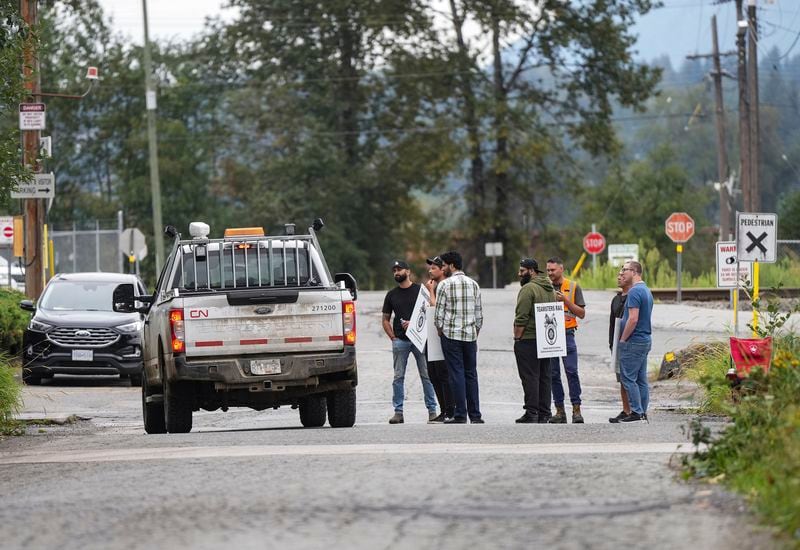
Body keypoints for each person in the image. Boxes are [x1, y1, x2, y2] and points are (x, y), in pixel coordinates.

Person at [382, 260, 439, 424]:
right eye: (394, 270)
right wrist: (393, 338)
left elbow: (431, 312)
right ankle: (398, 412)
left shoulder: (421, 291)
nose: (396, 272)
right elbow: (385, 319)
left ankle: (432, 411)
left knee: (426, 376)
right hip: (400, 341)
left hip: (420, 340)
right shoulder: (391, 295)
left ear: (408, 271)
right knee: (398, 377)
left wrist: (414, 325)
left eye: (399, 269)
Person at [434, 251, 484, 424]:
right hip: (470, 336)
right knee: (471, 374)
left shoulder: (444, 285)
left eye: (444, 265)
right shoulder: (474, 284)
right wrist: (475, 332)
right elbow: (479, 316)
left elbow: (438, 315)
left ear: (452, 266)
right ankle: (476, 415)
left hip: (451, 335)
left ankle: (461, 414)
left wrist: (440, 330)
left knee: (456, 374)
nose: (442, 268)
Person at [513, 258, 557, 423]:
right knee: (544, 376)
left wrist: (518, 338)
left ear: (531, 271)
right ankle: (544, 412)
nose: (519, 274)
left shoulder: (528, 289)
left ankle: (531, 412)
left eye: (522, 271)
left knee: (530, 376)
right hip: (547, 338)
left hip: (529, 338)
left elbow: (521, 317)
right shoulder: (549, 288)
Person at [545, 257, 587, 424]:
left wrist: (566, 301)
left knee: (571, 372)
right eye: (548, 270)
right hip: (550, 336)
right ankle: (559, 411)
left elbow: (582, 314)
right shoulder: (544, 288)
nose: (550, 273)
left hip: (567, 333)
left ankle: (576, 410)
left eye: (552, 270)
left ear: (561, 269)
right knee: (553, 374)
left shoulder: (573, 287)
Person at [617, 260, 654, 423]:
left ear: (634, 272)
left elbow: (633, 319)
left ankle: (636, 411)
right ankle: (642, 411)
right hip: (645, 339)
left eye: (625, 270)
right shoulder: (646, 290)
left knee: (628, 378)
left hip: (634, 340)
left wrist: (623, 339)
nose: (622, 272)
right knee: (640, 378)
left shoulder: (634, 292)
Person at [424, 256, 455, 422]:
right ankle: (443, 409)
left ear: (443, 269)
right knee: (433, 374)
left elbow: (436, 309)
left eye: (434, 268)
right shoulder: (434, 286)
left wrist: (430, 292)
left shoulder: (445, 286)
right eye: (430, 268)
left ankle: (450, 409)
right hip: (430, 337)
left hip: (442, 336)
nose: (430, 271)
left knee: (444, 374)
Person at [608, 268, 632, 423]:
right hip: (617, 342)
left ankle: (636, 409)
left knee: (630, 379)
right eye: (618, 275)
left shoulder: (633, 297)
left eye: (622, 275)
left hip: (630, 343)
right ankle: (626, 409)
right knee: (622, 379)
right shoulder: (616, 299)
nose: (619, 277)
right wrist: (611, 343)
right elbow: (612, 322)